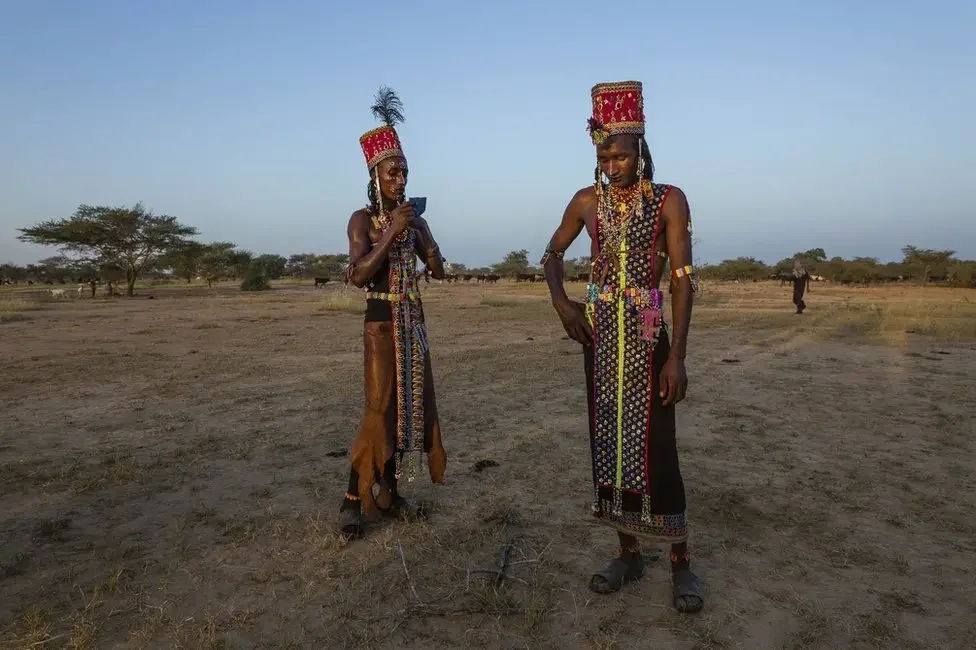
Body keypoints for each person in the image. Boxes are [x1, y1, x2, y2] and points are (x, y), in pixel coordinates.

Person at [540, 81, 703, 613]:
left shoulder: (668, 200)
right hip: (599, 330)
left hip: (650, 328)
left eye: (622, 155)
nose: (613, 165)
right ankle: (628, 553)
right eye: (604, 156)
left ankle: (679, 561)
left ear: (641, 150)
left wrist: (676, 355)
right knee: (608, 441)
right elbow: (552, 253)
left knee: (658, 441)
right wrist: (564, 305)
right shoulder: (586, 202)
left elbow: (681, 279)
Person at [338, 87, 447, 539]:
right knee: (378, 407)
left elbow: (438, 271)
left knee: (410, 408)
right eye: (391, 173)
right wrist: (392, 232)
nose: (399, 179)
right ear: (374, 176)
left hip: (413, 323)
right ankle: (351, 497)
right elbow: (359, 274)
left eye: (403, 172)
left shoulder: (411, 220)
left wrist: (423, 232)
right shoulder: (362, 220)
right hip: (380, 324)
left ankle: (389, 492)